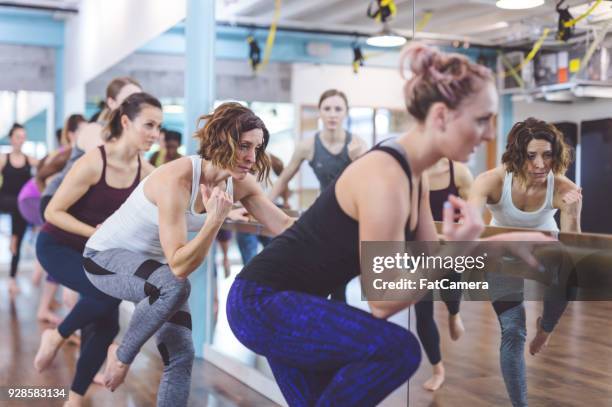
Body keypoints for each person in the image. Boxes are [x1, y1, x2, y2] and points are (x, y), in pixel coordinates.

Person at [226, 44, 552, 407]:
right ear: (442, 115)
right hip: (262, 303)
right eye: (481, 119)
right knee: (398, 350)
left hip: (294, 305)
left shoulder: (415, 178)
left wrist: (492, 247)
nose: (491, 133)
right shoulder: (385, 176)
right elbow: (383, 300)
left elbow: (426, 266)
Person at [81, 102, 294, 406]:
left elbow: (283, 224)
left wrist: (342, 222)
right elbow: (179, 267)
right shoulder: (177, 179)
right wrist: (215, 220)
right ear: (222, 141)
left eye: (256, 149)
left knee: (181, 353)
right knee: (174, 284)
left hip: (152, 272)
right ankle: (121, 355)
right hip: (104, 258)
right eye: (244, 146)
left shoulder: (239, 182)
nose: (251, 157)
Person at [34, 92, 161, 407]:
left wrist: (223, 210)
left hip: (97, 256)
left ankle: (74, 399)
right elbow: (52, 212)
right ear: (125, 122)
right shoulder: (94, 161)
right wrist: (94, 233)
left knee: (107, 323)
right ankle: (58, 334)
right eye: (148, 125)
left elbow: (178, 198)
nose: (155, 134)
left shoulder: (145, 172)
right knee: (105, 295)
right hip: (57, 245)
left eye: (159, 126)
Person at [469, 117, 581, 407]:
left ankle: (546, 329)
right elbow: (468, 230)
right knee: (514, 330)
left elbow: (574, 249)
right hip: (502, 255)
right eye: (531, 156)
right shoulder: (491, 181)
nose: (541, 164)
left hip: (544, 253)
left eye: (547, 155)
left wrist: (575, 212)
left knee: (569, 276)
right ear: (517, 155)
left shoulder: (563, 187)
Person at [269, 89, 368, 301]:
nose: (333, 114)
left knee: (340, 284)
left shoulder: (358, 145)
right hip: (323, 219)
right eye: (327, 109)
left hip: (352, 220)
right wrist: (256, 205)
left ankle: (339, 329)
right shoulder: (307, 146)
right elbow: (283, 179)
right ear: (320, 113)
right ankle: (319, 327)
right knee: (320, 281)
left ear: (346, 113)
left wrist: (358, 159)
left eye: (338, 109)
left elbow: (371, 186)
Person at [415, 157, 473, 391]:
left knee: (450, 293)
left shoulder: (459, 173)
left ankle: (454, 312)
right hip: (418, 250)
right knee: (422, 313)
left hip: (450, 248)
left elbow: (473, 215)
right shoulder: (414, 171)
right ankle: (438, 368)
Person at [0, 123, 39, 297]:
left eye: (23, 137)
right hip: (4, 201)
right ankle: (13, 238)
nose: (21, 140)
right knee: (17, 207)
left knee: (20, 228)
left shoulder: (29, 159)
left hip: (20, 206)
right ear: (11, 139)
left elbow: (47, 166)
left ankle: (12, 279)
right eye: (18, 137)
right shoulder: (3, 158)